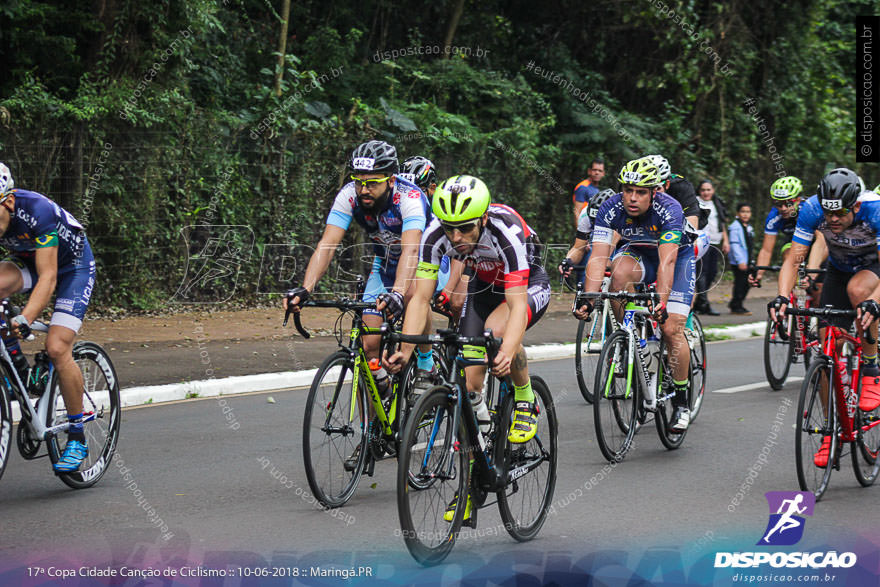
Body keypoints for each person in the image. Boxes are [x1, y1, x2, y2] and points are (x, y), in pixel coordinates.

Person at [284, 141, 434, 413]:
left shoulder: (409, 197)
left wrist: (398, 293)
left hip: (425, 258)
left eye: (372, 183)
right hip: (386, 262)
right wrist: (305, 289)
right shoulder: (349, 195)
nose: (364, 189)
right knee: (369, 343)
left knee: (413, 295)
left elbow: (412, 251)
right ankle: (377, 414)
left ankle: (426, 362)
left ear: (390, 180)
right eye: (358, 181)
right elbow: (327, 243)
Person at [769, 168, 880, 467]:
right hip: (839, 272)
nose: (832, 219)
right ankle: (831, 431)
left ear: (856, 206)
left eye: (840, 213)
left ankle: (871, 368)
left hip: (873, 270)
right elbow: (794, 259)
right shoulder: (811, 209)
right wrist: (781, 295)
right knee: (825, 348)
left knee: (860, 292)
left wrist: (874, 303)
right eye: (828, 212)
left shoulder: (874, 210)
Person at [575, 156, 695, 431]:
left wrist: (661, 304)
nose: (632, 197)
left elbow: (667, 263)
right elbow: (597, 257)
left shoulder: (670, 210)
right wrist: (589, 299)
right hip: (639, 251)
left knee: (671, 329)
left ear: (655, 192)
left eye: (641, 192)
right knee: (617, 274)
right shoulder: (610, 207)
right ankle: (628, 337)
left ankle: (681, 401)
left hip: (677, 259)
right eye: (628, 190)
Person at [0, 162, 96, 472]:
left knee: (57, 347)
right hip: (27, 261)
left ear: (8, 201)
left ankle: (78, 437)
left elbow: (48, 278)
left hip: (72, 267)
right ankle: (20, 367)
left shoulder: (36, 210)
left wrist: (26, 318)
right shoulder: (6, 212)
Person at [558, 189, 616, 282]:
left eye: (600, 221)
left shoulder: (622, 213)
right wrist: (568, 261)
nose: (598, 224)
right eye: (594, 221)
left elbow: (612, 246)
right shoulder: (585, 215)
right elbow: (579, 247)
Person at [694, 179, 730, 315]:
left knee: (713, 272)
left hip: (715, 242)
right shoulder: (695, 201)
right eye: (703, 190)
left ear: (713, 191)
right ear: (699, 191)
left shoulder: (716, 203)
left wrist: (725, 241)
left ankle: (700, 302)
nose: (706, 192)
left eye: (708, 190)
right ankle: (704, 303)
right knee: (701, 272)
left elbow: (721, 224)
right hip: (701, 241)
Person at [728, 202, 754, 314]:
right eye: (743, 212)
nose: (745, 214)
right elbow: (734, 245)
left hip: (747, 260)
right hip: (740, 261)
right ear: (738, 213)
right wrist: (740, 261)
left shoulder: (748, 227)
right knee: (740, 283)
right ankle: (736, 305)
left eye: (748, 212)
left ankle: (736, 302)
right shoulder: (735, 227)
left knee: (747, 282)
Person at [572, 158, 605, 225]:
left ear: (603, 173)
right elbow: (576, 212)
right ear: (589, 171)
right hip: (584, 229)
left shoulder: (596, 190)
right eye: (594, 170)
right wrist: (580, 233)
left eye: (600, 171)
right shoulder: (583, 187)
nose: (597, 173)